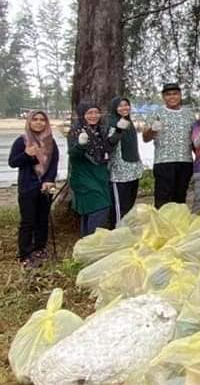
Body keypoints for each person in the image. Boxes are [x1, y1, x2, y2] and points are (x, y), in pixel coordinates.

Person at [8, 110, 59, 268]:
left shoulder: (51, 141)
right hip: (27, 187)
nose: (38, 122)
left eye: (42, 120)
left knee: (42, 220)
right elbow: (12, 162)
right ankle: (24, 254)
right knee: (28, 221)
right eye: (35, 119)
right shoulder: (22, 141)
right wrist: (26, 154)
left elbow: (53, 164)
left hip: (45, 187)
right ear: (29, 122)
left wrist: (49, 180)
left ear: (46, 122)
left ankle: (39, 248)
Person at [68, 103, 117, 236]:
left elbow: (108, 148)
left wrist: (119, 132)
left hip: (99, 176)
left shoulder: (101, 131)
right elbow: (73, 155)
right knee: (100, 209)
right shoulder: (76, 131)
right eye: (89, 113)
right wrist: (80, 145)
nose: (94, 116)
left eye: (96, 112)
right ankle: (91, 245)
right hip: (84, 178)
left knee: (90, 212)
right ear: (83, 115)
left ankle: (86, 244)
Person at [143, 82, 195, 207]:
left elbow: (194, 138)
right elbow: (145, 138)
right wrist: (152, 130)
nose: (172, 97)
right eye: (168, 94)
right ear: (163, 97)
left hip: (185, 161)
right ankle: (161, 225)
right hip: (163, 161)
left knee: (180, 198)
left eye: (175, 94)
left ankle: (177, 225)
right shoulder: (156, 113)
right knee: (163, 199)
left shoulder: (189, 114)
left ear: (180, 95)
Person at [107, 96, 144, 226]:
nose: (124, 108)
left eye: (126, 105)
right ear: (114, 108)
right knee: (119, 208)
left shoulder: (129, 122)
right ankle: (116, 234)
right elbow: (109, 144)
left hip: (133, 171)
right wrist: (118, 130)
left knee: (129, 205)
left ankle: (125, 234)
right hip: (119, 174)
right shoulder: (112, 122)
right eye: (120, 105)